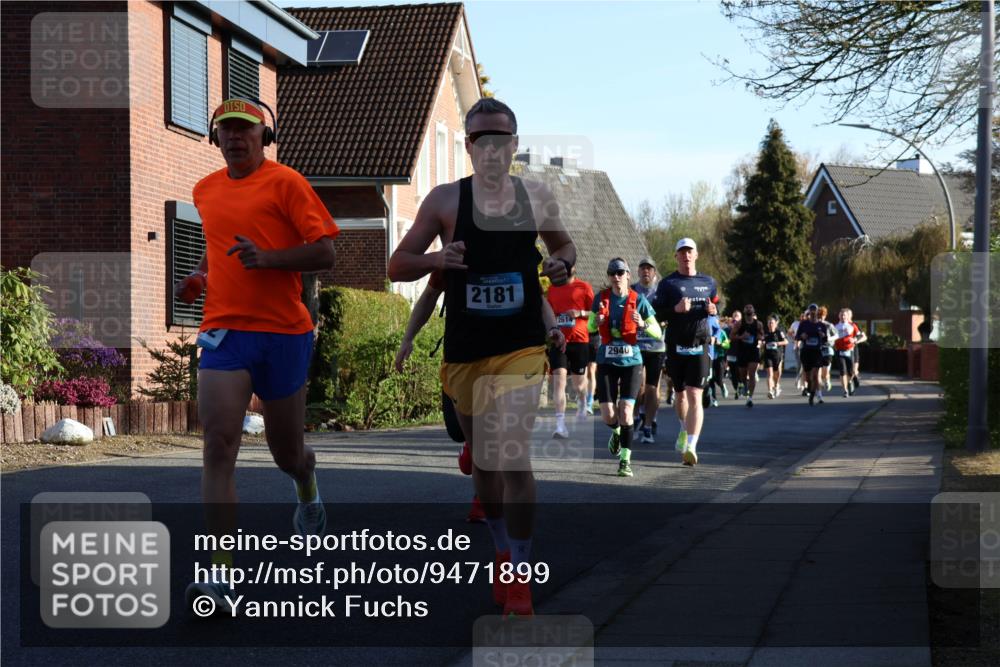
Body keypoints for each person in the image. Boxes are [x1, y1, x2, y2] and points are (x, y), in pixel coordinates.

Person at [387, 98, 574, 617]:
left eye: (501, 139)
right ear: (469, 146)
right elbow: (397, 264)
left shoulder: (536, 197)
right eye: (480, 140)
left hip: (520, 347)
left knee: (512, 456)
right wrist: (434, 259)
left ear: (514, 145)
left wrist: (559, 266)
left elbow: (565, 249)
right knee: (486, 465)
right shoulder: (445, 201)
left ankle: (520, 572)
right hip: (466, 352)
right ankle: (499, 548)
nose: (491, 149)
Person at [176, 98, 338, 613]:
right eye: (226, 130)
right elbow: (217, 244)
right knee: (218, 444)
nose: (235, 138)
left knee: (286, 453)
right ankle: (219, 576)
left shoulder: (287, 183)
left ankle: (307, 488)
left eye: (245, 130)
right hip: (224, 330)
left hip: (284, 334)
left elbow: (326, 252)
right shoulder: (205, 190)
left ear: (264, 137)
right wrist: (202, 276)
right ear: (215, 138)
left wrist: (269, 260)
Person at [394, 275, 486, 523]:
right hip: (460, 353)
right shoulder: (454, 258)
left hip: (503, 352)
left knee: (493, 433)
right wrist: (408, 338)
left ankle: (483, 500)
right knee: (461, 430)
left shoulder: (510, 252)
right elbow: (428, 296)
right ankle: (471, 445)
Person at [590, 258, 662, 477]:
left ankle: (625, 461)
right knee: (608, 414)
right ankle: (617, 431)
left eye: (621, 273)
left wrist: (643, 325)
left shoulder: (638, 300)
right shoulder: (600, 299)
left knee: (626, 410)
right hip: (606, 361)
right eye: (613, 273)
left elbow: (657, 332)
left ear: (628, 275)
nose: (617, 277)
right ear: (609, 277)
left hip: (632, 362)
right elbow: (590, 326)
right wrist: (598, 321)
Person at [652, 238, 718, 466]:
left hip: (700, 344)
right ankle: (683, 428)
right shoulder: (668, 284)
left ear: (696, 255)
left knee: (694, 394)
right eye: (682, 252)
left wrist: (713, 309)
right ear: (676, 257)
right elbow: (656, 315)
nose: (686, 256)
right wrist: (675, 310)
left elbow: (716, 304)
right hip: (676, 347)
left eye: (689, 252)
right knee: (680, 395)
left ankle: (691, 446)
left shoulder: (708, 282)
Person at [546, 266, 595, 435]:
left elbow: (595, 313)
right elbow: (548, 315)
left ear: (574, 268)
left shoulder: (584, 287)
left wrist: (580, 312)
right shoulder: (552, 289)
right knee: (559, 381)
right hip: (559, 342)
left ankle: (582, 399)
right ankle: (560, 426)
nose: (566, 269)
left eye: (569, 266)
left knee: (578, 384)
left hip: (580, 341)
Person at [631, 257, 666, 443]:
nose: (646, 272)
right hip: (636, 345)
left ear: (654, 273)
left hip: (656, 346)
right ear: (638, 272)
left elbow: (668, 313)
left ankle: (648, 425)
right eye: (643, 268)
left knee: (652, 389)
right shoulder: (631, 291)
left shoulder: (661, 293)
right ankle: (637, 416)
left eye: (649, 269)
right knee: (638, 386)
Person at [797, 304, 829, 405]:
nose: (813, 313)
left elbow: (825, 340)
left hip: (817, 352)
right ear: (809, 313)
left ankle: (812, 395)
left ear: (817, 312)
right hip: (806, 352)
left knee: (815, 375)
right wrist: (802, 336)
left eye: (814, 311)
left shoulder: (822, 325)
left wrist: (822, 335)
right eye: (811, 311)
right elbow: (797, 336)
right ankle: (811, 390)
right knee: (807, 377)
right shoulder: (804, 324)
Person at [734, 304, 764, 408]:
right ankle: (743, 385)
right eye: (746, 307)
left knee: (751, 374)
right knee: (743, 375)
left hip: (753, 351)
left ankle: (750, 398)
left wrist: (760, 337)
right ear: (744, 311)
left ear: (754, 311)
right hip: (742, 351)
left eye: (751, 307)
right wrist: (742, 336)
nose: (749, 309)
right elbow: (731, 336)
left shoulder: (758, 324)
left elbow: (762, 335)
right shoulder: (739, 324)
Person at [834, 307, 867, 397]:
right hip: (840, 351)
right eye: (842, 315)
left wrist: (855, 340)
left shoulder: (853, 325)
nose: (844, 317)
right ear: (839, 316)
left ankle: (850, 381)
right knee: (842, 371)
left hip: (852, 349)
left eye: (845, 315)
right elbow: (831, 337)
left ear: (849, 316)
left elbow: (863, 336)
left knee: (853, 371)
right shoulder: (836, 326)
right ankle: (845, 390)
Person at [702, 312, 727, 408]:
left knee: (716, 379)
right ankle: (711, 397)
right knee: (709, 379)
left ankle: (714, 390)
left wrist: (716, 339)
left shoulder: (711, 319)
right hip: (696, 353)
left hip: (713, 355)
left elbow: (719, 333)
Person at [762, 314, 788, 399]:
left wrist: (777, 343)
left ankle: (776, 385)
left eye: (772, 322)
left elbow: (786, 342)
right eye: (769, 323)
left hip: (777, 355)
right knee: (770, 374)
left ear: (776, 324)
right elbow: (761, 341)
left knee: (777, 374)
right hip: (768, 356)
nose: (770, 324)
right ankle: (770, 391)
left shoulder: (779, 332)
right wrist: (761, 343)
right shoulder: (765, 333)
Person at [817, 306, 838, 392]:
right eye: (819, 316)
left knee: (825, 371)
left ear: (825, 316)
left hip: (827, 348)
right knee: (818, 371)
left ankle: (827, 380)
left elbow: (837, 335)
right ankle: (819, 390)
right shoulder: (814, 325)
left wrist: (828, 338)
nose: (820, 318)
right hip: (817, 349)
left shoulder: (829, 325)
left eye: (822, 316)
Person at [725, 310, 742, 398]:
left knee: (739, 372)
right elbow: (724, 339)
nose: (736, 317)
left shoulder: (743, 328)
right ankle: (736, 390)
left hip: (740, 353)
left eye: (738, 316)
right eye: (734, 315)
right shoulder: (728, 329)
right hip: (731, 353)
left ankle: (741, 385)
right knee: (733, 374)